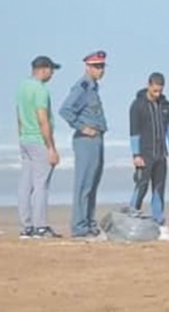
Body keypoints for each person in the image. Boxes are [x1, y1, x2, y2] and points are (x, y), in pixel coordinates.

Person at [59, 50, 108, 238]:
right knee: (84, 184)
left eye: (102, 66)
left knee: (93, 183)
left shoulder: (94, 87)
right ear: (87, 67)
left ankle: (88, 222)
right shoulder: (82, 86)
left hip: (97, 139)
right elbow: (65, 110)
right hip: (86, 141)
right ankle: (79, 226)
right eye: (97, 66)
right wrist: (81, 127)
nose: (101, 70)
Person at [128, 72, 169, 240]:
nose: (158, 94)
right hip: (144, 154)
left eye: (160, 91)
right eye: (155, 90)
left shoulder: (164, 105)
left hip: (160, 154)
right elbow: (134, 132)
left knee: (158, 188)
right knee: (141, 186)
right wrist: (136, 154)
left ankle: (159, 221)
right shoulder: (137, 105)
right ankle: (131, 217)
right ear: (149, 85)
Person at [16, 56, 63, 239]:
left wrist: (21, 136)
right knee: (41, 184)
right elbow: (42, 118)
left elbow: (18, 114)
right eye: (51, 70)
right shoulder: (40, 89)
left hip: (26, 139)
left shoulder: (22, 86)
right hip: (38, 140)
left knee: (25, 184)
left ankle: (26, 226)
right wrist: (51, 147)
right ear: (43, 69)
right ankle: (40, 227)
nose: (52, 74)